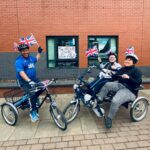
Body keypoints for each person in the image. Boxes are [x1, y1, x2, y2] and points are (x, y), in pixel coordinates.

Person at [97, 53, 142, 128]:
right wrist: (111, 73)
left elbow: (138, 83)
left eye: (130, 60)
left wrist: (129, 78)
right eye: (126, 59)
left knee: (115, 101)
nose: (127, 61)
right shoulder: (123, 69)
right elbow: (115, 77)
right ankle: (99, 99)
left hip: (129, 90)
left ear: (133, 62)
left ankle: (109, 118)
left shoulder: (137, 71)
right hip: (120, 85)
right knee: (107, 84)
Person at [15, 43, 43, 122]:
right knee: (32, 94)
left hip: (33, 79)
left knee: (43, 87)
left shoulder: (30, 58)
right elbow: (21, 72)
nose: (25, 52)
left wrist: (39, 52)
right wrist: (29, 81)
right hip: (23, 81)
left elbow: (37, 59)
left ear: (28, 50)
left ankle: (33, 99)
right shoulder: (19, 61)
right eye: (23, 50)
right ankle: (32, 112)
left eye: (26, 50)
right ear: (20, 52)